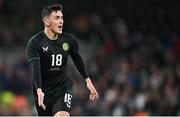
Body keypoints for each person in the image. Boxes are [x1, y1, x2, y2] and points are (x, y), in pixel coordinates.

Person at [26, 4, 98, 116]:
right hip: (43, 92)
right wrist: (39, 90)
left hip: (63, 88)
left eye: (62, 17)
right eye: (57, 18)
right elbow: (35, 68)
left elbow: (77, 59)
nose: (61, 21)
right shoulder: (35, 43)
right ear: (47, 22)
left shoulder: (69, 40)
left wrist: (87, 80)